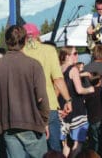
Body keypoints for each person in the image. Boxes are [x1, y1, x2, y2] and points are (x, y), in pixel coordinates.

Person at [0, 25, 49, 158]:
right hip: (32, 124)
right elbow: (42, 97)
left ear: (6, 41)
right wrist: (44, 121)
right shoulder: (33, 65)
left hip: (8, 125)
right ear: (25, 40)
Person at [23, 23, 73, 152]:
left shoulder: (20, 52)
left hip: (26, 108)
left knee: (31, 148)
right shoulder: (49, 50)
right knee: (54, 148)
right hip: (48, 105)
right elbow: (57, 78)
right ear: (38, 35)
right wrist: (68, 100)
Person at [59, 46, 95, 158]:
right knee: (77, 144)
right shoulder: (73, 69)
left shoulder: (59, 68)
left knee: (65, 144)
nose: (77, 56)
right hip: (77, 110)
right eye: (75, 53)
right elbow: (79, 90)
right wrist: (90, 89)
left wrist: (84, 74)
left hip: (62, 109)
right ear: (67, 56)